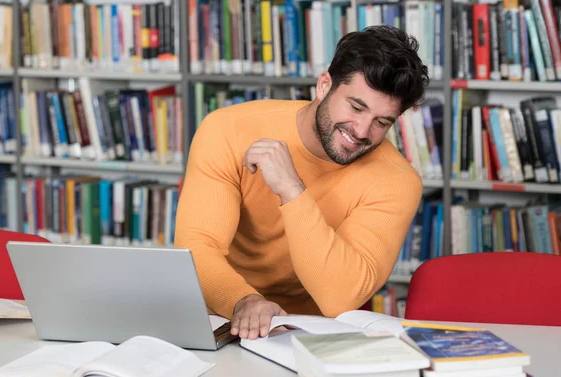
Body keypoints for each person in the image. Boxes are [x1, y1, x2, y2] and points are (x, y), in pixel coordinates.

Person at [174, 25, 429, 341]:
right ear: (324, 86)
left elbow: (339, 296)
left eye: (381, 122)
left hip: (308, 333)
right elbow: (197, 247)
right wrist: (243, 300)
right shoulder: (227, 130)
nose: (362, 131)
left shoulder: (397, 182)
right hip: (219, 316)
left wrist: (291, 189)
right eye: (356, 107)